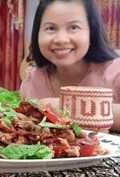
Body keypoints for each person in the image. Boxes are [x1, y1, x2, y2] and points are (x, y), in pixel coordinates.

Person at [19, 0, 120, 132]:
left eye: (74, 27)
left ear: (91, 32)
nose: (61, 39)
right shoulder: (33, 78)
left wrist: (68, 109)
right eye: (51, 28)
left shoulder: (115, 73)